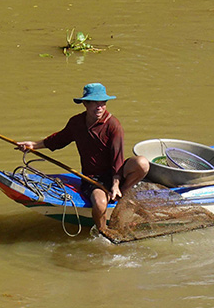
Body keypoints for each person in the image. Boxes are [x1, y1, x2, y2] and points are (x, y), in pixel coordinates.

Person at [17, 82, 149, 235]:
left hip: (116, 173)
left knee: (142, 163)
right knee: (100, 205)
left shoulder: (113, 125)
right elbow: (57, 140)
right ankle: (104, 232)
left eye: (102, 103)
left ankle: (122, 195)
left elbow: (117, 158)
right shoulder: (76, 123)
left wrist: (116, 185)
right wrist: (32, 145)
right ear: (85, 104)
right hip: (93, 178)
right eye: (94, 103)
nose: (99, 107)